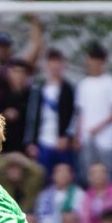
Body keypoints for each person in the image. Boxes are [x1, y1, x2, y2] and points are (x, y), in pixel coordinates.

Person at [24, 48, 76, 176]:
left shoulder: (69, 89)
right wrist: (30, 142)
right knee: (42, 178)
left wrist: (67, 136)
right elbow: (31, 116)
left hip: (61, 143)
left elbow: (75, 114)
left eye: (58, 65)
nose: (55, 69)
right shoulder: (38, 89)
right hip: (43, 142)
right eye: (52, 65)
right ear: (46, 66)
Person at [75, 43, 112, 179]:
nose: (95, 64)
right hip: (87, 137)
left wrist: (99, 127)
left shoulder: (110, 82)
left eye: (99, 61)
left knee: (108, 174)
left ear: (103, 63)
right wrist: (78, 135)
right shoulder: (84, 84)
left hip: (106, 138)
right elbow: (80, 112)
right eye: (92, 60)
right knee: (86, 174)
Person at [0, 59, 31, 155]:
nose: (18, 76)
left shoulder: (31, 96)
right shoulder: (1, 93)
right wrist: (4, 113)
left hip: (24, 147)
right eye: (15, 71)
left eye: (21, 72)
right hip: (4, 147)